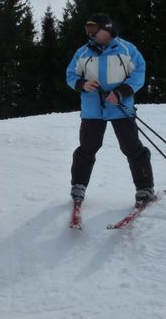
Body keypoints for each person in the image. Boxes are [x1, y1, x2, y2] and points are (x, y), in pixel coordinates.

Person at [66, 13, 154, 206]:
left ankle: (145, 187)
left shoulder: (127, 49)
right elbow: (71, 74)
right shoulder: (83, 52)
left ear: (106, 29)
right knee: (87, 149)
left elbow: (139, 72)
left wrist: (121, 92)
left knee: (132, 148)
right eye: (87, 30)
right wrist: (82, 84)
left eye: (94, 30)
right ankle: (78, 185)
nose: (90, 35)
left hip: (120, 108)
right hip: (92, 110)